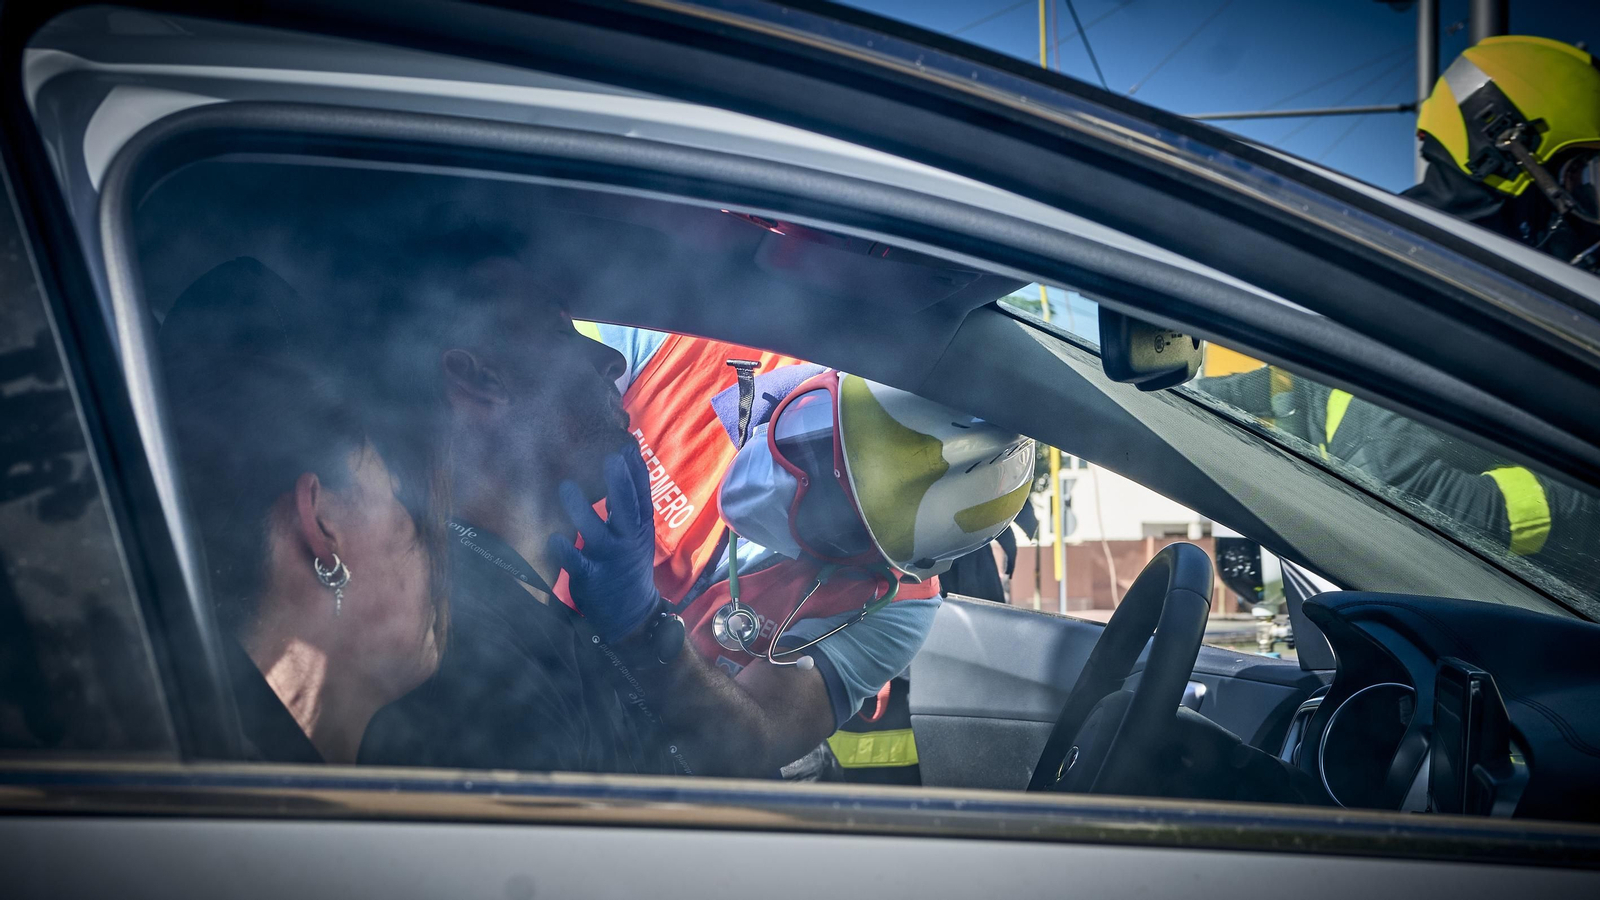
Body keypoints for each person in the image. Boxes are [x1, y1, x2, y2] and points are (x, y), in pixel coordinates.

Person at [159, 258, 448, 763]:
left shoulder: (211, 753)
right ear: (320, 531)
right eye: (402, 499)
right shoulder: (256, 806)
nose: (432, 540)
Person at [1403, 35, 1600, 270]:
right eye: (1577, 170)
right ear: (1505, 146)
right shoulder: (1416, 270)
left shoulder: (1402, 243)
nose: (1584, 190)